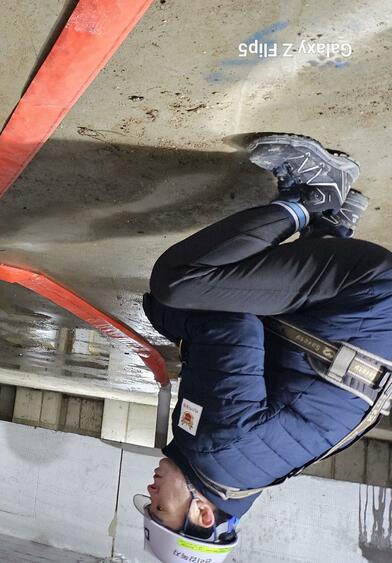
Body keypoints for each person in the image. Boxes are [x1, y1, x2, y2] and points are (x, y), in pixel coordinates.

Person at [135, 134, 392, 561]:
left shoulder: (243, 479)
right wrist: (170, 322)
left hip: (361, 319)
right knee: (178, 284)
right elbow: (231, 327)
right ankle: (314, 194)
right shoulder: (218, 452)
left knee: (223, 301)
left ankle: (332, 225)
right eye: (160, 507)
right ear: (201, 514)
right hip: (363, 292)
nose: (150, 491)